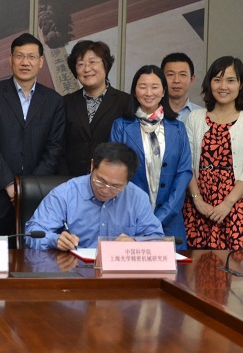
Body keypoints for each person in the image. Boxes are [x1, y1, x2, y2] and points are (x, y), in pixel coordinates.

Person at [0, 33, 66, 238]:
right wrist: (9, 185)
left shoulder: (54, 101)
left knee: (34, 256)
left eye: (31, 57)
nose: (25, 62)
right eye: (20, 56)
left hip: (37, 199)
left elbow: (54, 149)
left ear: (41, 61)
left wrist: (29, 188)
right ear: (11, 59)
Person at [182, 56, 243, 250]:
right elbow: (187, 162)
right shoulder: (195, 117)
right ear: (209, 83)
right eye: (217, 80)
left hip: (238, 205)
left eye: (230, 80)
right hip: (200, 207)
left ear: (241, 84)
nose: (223, 86)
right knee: (197, 265)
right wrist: (197, 200)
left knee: (240, 265)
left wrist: (228, 203)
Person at [109, 65, 192, 249]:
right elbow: (114, 172)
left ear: (163, 91)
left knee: (173, 267)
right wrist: (141, 217)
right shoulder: (121, 126)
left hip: (170, 221)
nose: (148, 93)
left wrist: (161, 216)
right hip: (130, 219)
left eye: (154, 87)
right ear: (134, 91)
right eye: (142, 86)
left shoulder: (178, 128)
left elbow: (184, 173)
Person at [25, 142, 163, 250]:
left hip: (118, 272)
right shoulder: (65, 194)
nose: (105, 190)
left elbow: (158, 239)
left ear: (128, 181)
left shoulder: (137, 198)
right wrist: (55, 240)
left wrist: (134, 242)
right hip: (73, 269)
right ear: (92, 166)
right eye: (100, 181)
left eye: (115, 186)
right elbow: (31, 233)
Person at [60, 40, 131, 177]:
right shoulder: (65, 103)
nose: (87, 69)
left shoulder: (125, 102)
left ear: (105, 64)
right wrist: (66, 180)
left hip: (110, 180)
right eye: (80, 64)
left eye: (92, 62)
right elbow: (58, 146)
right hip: (72, 180)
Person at [161, 52, 202, 123]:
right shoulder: (151, 113)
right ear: (161, 79)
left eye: (182, 75)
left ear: (192, 79)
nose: (176, 80)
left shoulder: (202, 115)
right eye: (170, 74)